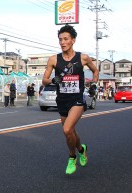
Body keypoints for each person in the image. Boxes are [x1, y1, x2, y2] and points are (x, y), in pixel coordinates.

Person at [42, 25, 99, 175]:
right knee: (70, 132)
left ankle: (72, 157)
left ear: (73, 40)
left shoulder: (83, 57)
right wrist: (54, 79)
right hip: (62, 100)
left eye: (66, 39)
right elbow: (44, 80)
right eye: (60, 39)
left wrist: (94, 80)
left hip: (77, 99)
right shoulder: (54, 59)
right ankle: (81, 149)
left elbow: (95, 69)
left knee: (67, 129)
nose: (62, 42)